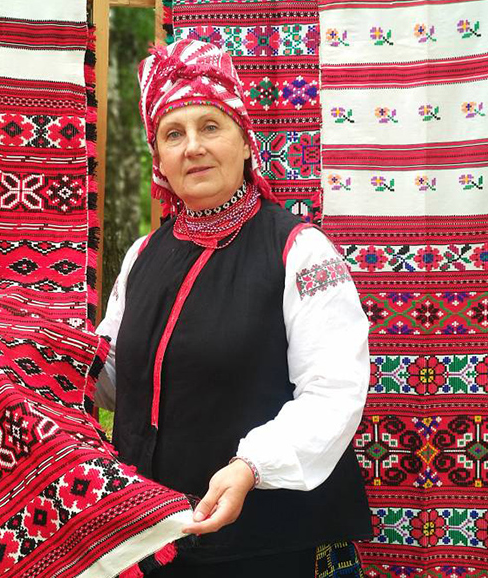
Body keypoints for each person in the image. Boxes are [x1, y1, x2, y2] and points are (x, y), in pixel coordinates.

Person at [95, 39, 372, 577]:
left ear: (245, 142)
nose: (193, 147)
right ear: (159, 159)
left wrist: (251, 466)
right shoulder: (142, 256)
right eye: (174, 134)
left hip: (266, 544)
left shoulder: (301, 251)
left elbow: (333, 390)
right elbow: (115, 378)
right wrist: (44, 357)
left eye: (210, 127)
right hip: (151, 537)